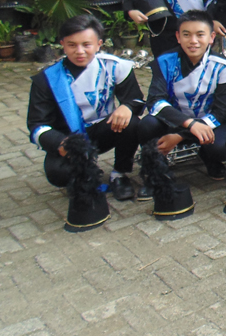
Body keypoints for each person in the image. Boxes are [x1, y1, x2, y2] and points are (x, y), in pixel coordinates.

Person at [27, 14, 145, 200]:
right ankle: (85, 175)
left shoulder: (115, 67)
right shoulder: (47, 79)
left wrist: (128, 107)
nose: (79, 51)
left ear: (99, 44)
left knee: (132, 123)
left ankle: (119, 174)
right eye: (72, 45)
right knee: (58, 173)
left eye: (86, 45)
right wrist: (60, 143)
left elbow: (136, 99)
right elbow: (37, 125)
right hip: (69, 138)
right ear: (62, 44)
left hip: (104, 129)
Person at [138, 10, 226, 182]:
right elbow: (155, 101)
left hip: (207, 124)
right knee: (147, 125)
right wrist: (188, 124)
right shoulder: (165, 61)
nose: (193, 41)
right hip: (172, 122)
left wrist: (181, 135)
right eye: (186, 35)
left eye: (200, 35)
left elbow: (221, 112)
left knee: (223, 148)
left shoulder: (224, 67)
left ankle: (208, 156)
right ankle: (156, 167)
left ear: (211, 37)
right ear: (178, 37)